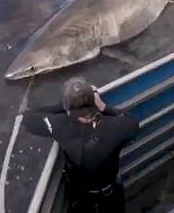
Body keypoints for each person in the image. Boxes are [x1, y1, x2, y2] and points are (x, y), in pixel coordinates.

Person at [23, 77, 140, 213]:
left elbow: (29, 118)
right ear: (94, 103)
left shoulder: (60, 124)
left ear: (68, 109)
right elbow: (132, 123)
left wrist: (62, 106)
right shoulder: (114, 126)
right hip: (110, 194)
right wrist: (103, 106)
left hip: (82, 198)